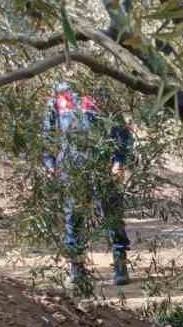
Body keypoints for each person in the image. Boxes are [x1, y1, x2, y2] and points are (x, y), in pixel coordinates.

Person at [42, 79, 132, 289]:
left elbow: (121, 131)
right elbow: (48, 133)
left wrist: (118, 161)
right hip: (71, 168)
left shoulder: (101, 93)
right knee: (74, 217)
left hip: (103, 167)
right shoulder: (59, 96)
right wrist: (49, 162)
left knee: (112, 215)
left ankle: (120, 266)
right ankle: (77, 270)